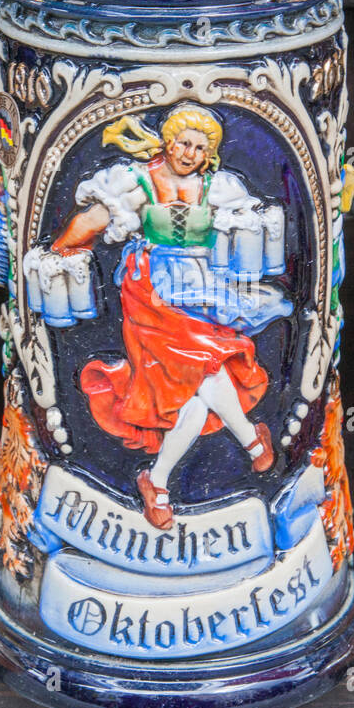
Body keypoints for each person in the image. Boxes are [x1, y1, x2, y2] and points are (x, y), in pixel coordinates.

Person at [51, 103, 292, 530]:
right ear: (169, 140)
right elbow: (92, 219)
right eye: (184, 142)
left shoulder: (219, 187)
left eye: (200, 147)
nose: (189, 153)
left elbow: (252, 228)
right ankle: (252, 441)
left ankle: (156, 481)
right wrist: (61, 251)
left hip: (199, 292)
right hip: (150, 296)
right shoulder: (138, 181)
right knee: (205, 367)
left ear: (209, 152)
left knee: (194, 397)